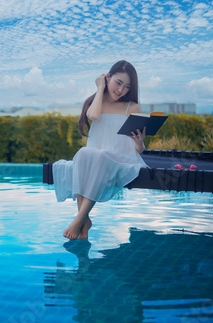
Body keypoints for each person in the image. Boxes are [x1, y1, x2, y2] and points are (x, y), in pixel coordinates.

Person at [52, 60, 147, 240]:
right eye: (118, 83)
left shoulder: (132, 107)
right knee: (83, 153)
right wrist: (100, 88)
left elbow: (139, 150)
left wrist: (140, 143)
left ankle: (80, 219)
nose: (120, 90)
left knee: (100, 156)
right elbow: (93, 115)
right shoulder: (97, 101)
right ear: (108, 77)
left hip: (122, 158)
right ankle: (84, 221)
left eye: (127, 87)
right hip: (95, 155)